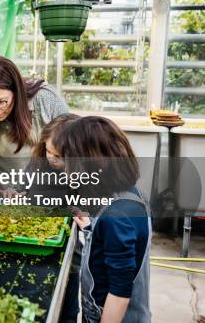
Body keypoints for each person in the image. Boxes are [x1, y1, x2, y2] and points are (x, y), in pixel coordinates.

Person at [56, 116, 151, 323]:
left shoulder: (115, 218)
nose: (65, 170)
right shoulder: (132, 196)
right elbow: (121, 249)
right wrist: (92, 230)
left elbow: (119, 295)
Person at [0, 55, 69, 200]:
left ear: (17, 91)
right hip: (4, 194)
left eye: (1, 101)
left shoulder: (46, 100)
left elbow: (73, 148)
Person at [31, 114, 82, 323]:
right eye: (48, 150)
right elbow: (29, 187)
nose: (51, 158)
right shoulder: (41, 161)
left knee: (67, 300)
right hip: (39, 242)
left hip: (70, 246)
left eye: (57, 155)